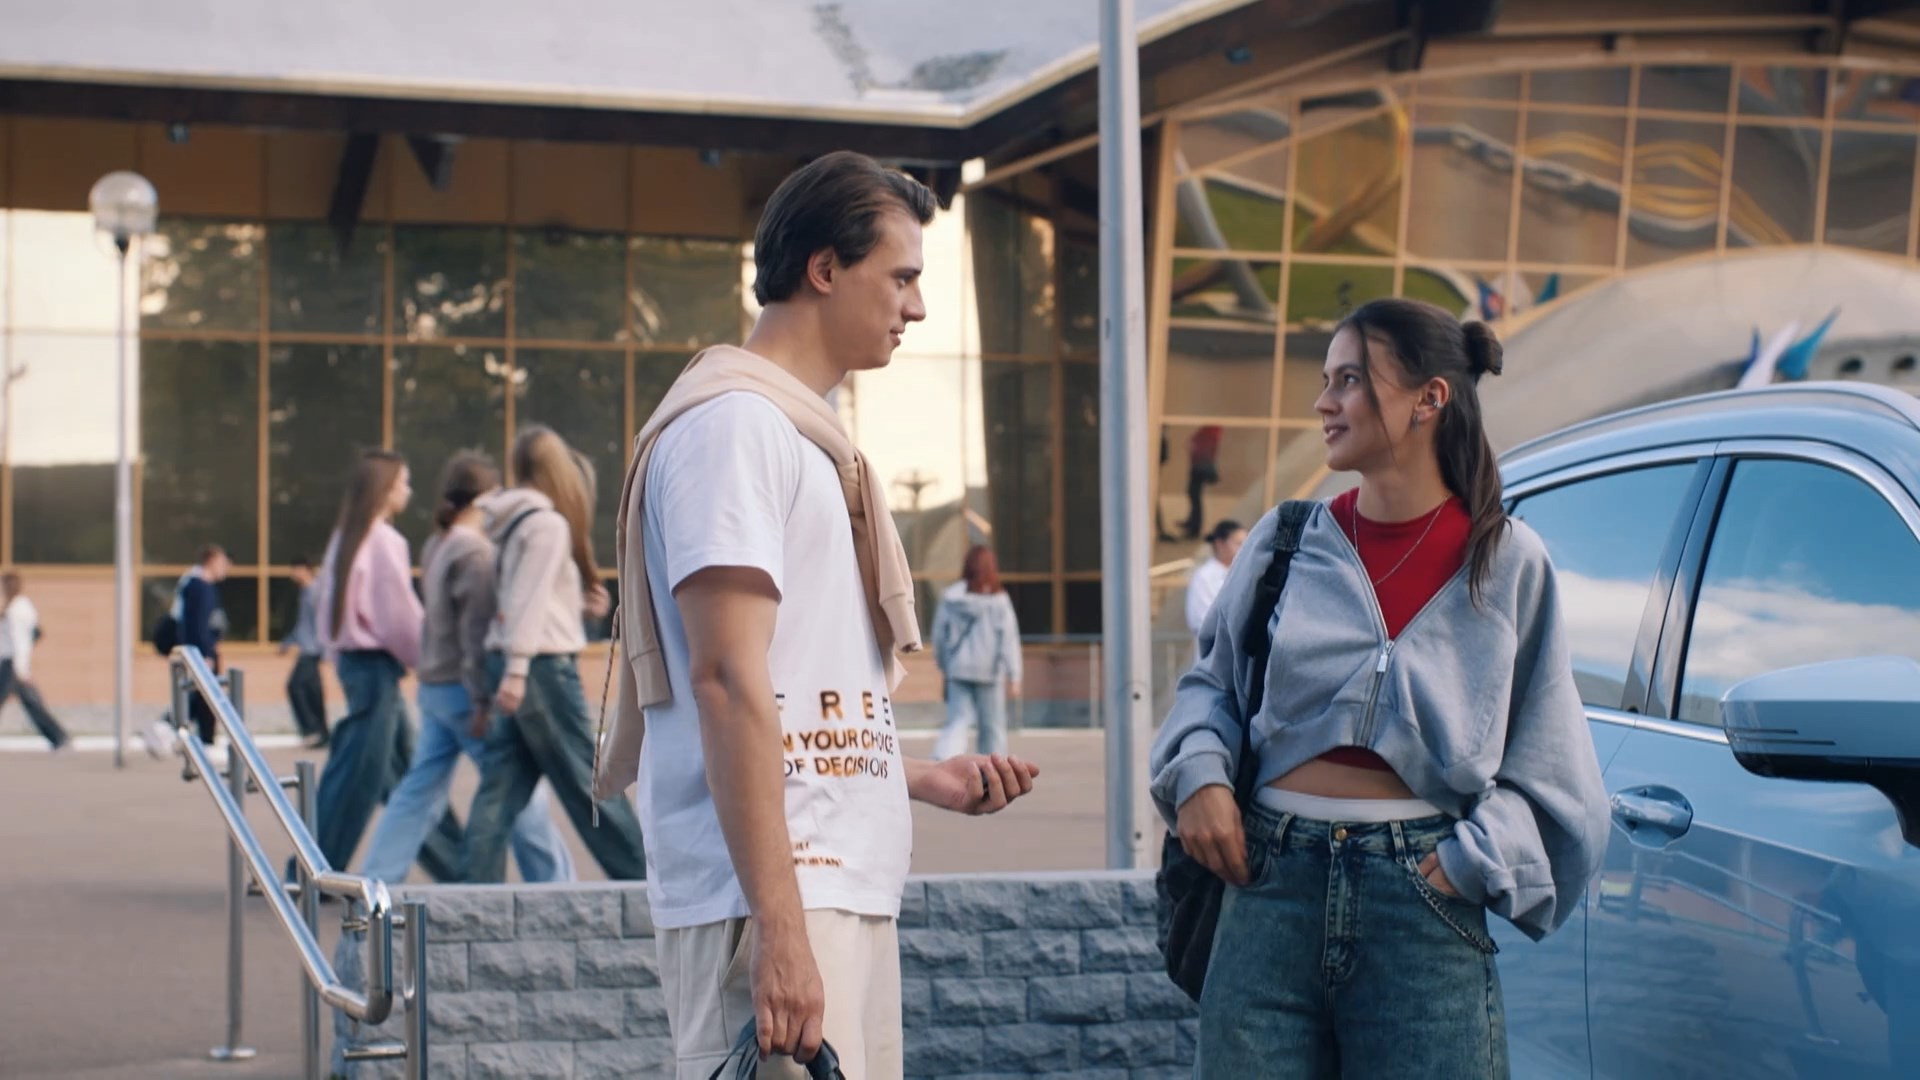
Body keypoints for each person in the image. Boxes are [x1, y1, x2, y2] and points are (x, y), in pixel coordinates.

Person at [599, 150, 1041, 1079]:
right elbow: (725, 681)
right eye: (902, 277)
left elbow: (785, 694)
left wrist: (912, 776)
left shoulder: (796, 438)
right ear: (826, 268)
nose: (918, 307)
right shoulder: (733, 430)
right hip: (777, 894)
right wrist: (782, 929)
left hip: (828, 884)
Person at [1149, 298, 1610, 1078]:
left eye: (1350, 380)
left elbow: (1554, 759)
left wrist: (1474, 862)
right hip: (1266, 888)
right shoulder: (1286, 541)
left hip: (1424, 901)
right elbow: (1211, 687)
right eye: (1326, 380)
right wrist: (1198, 777)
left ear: (1430, 399)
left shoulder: (1507, 562)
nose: (1324, 403)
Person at [359, 451, 576, 886]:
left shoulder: (437, 544)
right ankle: (557, 887)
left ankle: (375, 880)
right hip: (464, 690)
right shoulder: (475, 552)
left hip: (435, 687)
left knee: (418, 793)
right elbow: (475, 633)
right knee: (517, 794)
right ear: (486, 497)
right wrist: (481, 698)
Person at [462, 426, 645, 882]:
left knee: (501, 787)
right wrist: (518, 671)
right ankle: (644, 883)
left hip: (517, 660)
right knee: (590, 779)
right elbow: (525, 600)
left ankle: (472, 891)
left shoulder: (510, 521)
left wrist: (576, 607)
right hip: (538, 668)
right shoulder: (546, 524)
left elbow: (525, 598)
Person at [309, 451, 460, 882]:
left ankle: (460, 869)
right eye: (403, 483)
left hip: (359, 666)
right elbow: (398, 614)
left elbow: (329, 609)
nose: (408, 491)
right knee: (362, 777)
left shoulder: (347, 537)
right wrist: (430, 657)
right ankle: (314, 870)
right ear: (385, 489)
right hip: (375, 668)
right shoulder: (384, 541)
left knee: (405, 774)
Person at [930, 545, 1023, 761]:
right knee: (992, 728)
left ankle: (945, 761)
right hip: (989, 672)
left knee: (957, 722)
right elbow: (1008, 639)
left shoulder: (951, 599)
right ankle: (993, 770)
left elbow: (939, 635)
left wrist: (944, 665)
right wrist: (1014, 675)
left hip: (958, 669)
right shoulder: (999, 601)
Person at [144, 544, 231, 755]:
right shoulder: (198, 586)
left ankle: (192, 736)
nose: (226, 568)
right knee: (203, 695)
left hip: (199, 650)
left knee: (200, 696)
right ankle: (170, 728)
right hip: (199, 652)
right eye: (222, 562)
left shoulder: (196, 584)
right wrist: (204, 654)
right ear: (211, 561)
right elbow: (196, 625)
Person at [0, 572, 70, 751]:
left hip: (12, 664)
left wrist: (21, 668)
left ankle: (59, 737)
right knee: (33, 704)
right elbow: (34, 634)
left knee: (32, 703)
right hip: (12, 663)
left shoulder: (17, 610)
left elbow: (19, 641)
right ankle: (58, 737)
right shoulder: (17, 607)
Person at [279, 557, 330, 747]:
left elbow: (323, 621)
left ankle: (311, 730)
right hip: (307, 647)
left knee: (296, 686)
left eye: (296, 569)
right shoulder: (304, 592)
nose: (294, 574)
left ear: (306, 570)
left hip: (313, 648)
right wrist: (288, 641)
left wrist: (326, 648)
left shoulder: (316, 591)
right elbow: (303, 623)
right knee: (313, 691)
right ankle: (321, 732)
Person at [1183, 519, 1246, 639]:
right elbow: (1201, 621)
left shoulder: (1244, 573)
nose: (1243, 549)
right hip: (1215, 645)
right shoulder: (1204, 577)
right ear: (1220, 544)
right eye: (1239, 544)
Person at [1183, 424, 1223, 539]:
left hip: (1200, 467)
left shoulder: (1210, 433)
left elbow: (1202, 449)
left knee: (1195, 496)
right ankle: (1192, 524)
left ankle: (1193, 527)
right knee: (1194, 496)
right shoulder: (1210, 432)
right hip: (1200, 466)